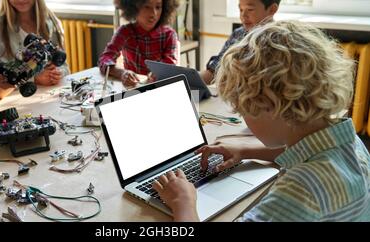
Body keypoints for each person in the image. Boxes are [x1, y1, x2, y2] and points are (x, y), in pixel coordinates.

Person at [153, 20, 370, 222]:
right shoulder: (351, 145)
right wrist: (246, 150)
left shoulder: (299, 192)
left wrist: (183, 203)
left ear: (270, 106)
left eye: (243, 110)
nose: (242, 117)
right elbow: (308, 151)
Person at [0, 0, 69, 87]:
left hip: (49, 91)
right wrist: (34, 79)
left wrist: (58, 74)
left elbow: (64, 65)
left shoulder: (51, 21)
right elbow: (0, 78)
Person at [98, 0, 180, 87]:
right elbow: (105, 59)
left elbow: (170, 65)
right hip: (132, 89)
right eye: (147, 7)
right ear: (134, 8)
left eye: (158, 7)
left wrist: (158, 73)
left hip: (159, 89)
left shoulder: (170, 35)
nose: (154, 13)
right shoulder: (125, 32)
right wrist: (122, 73)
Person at [200, 0, 280, 85]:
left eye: (250, 9)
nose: (243, 16)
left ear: (272, 9)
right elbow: (218, 66)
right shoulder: (238, 34)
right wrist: (193, 79)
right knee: (193, 95)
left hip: (258, 96)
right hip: (231, 95)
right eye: (241, 10)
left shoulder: (279, 42)